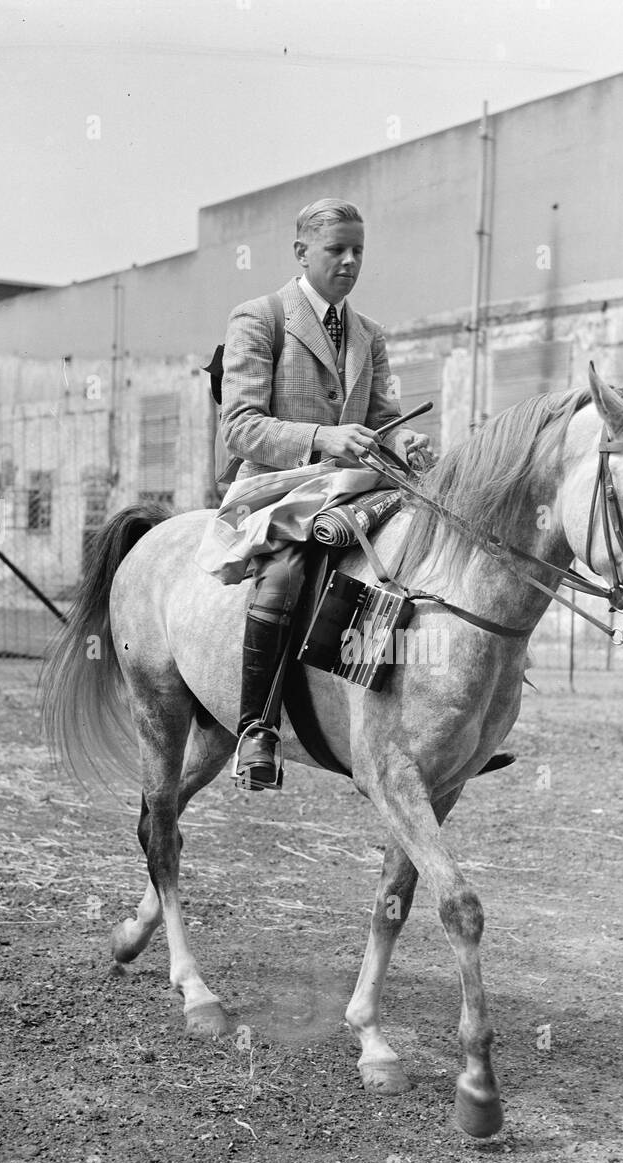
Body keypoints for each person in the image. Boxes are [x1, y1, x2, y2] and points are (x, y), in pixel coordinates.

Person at [198, 198, 429, 789]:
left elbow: (383, 423)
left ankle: (407, 729)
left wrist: (408, 443)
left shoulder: (369, 334)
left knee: (420, 555)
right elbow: (241, 426)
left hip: (353, 488)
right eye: (336, 250)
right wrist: (324, 436)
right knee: (287, 574)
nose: (350, 261)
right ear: (302, 253)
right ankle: (258, 729)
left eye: (358, 251)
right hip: (278, 490)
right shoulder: (260, 318)